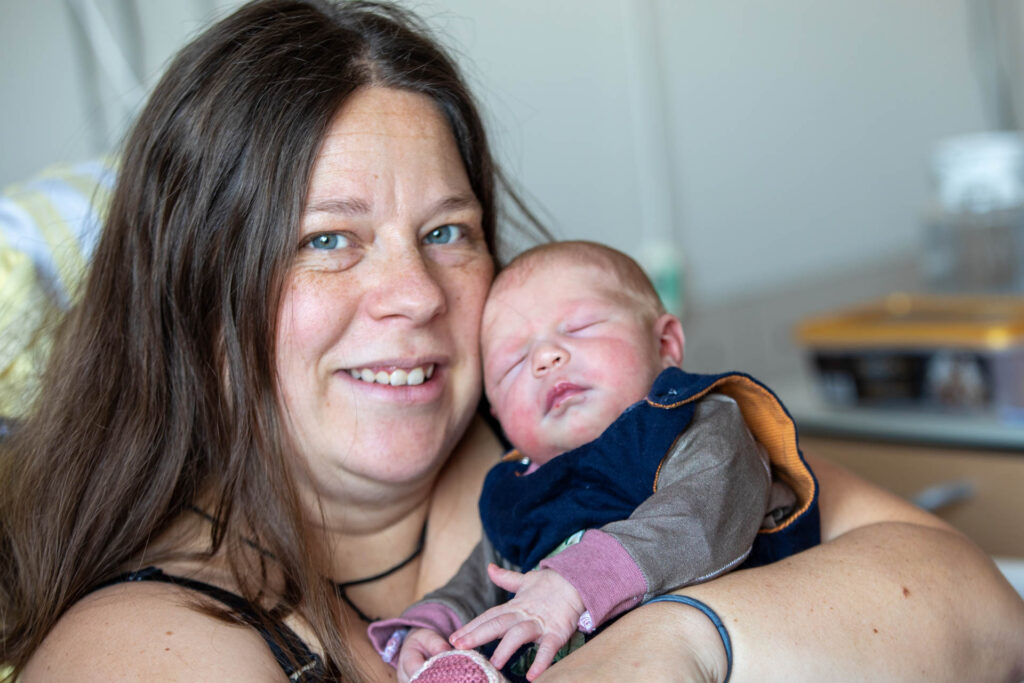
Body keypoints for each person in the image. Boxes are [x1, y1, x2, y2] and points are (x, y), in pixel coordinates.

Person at [1, 1, 1021, 681]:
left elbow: (983, 611)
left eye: (446, 232)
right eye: (327, 239)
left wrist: (672, 639)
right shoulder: (158, 636)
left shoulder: (596, 435)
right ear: (196, 297)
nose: (413, 293)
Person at [368, 240, 818, 682]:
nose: (545, 358)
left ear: (665, 343)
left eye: (579, 328)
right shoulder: (518, 491)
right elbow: (483, 578)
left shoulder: (690, 420)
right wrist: (434, 628)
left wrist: (577, 582)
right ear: (499, 415)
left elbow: (706, 516)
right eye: (513, 364)